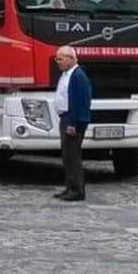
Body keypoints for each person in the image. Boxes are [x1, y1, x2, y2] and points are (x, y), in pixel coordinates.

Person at [53, 45, 92, 202]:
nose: (58, 62)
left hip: (72, 120)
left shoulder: (77, 76)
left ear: (70, 58)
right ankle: (70, 186)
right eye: (57, 59)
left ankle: (77, 190)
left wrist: (74, 124)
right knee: (67, 155)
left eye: (60, 59)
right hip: (66, 118)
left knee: (72, 156)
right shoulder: (67, 74)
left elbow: (80, 102)